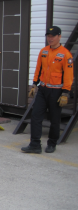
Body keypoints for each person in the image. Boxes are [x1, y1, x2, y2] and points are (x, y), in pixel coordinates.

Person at [21, 26, 74, 154]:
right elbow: (39, 68)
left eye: (53, 36)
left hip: (57, 92)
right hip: (43, 90)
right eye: (48, 36)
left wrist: (66, 93)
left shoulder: (65, 54)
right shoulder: (44, 51)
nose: (50, 38)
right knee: (35, 116)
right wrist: (34, 84)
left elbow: (68, 75)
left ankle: (52, 143)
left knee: (54, 119)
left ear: (59, 36)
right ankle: (35, 144)